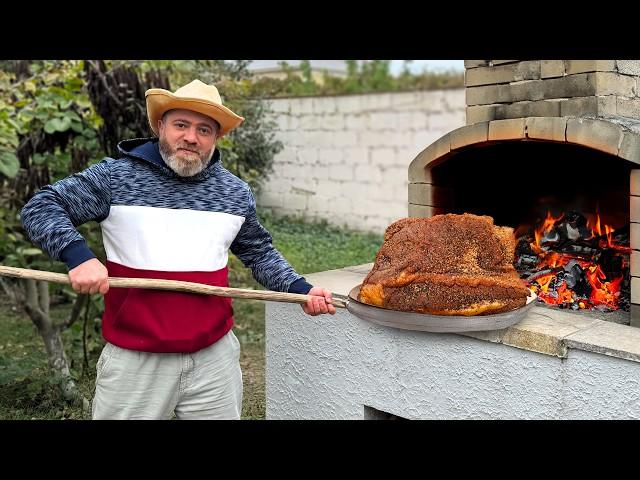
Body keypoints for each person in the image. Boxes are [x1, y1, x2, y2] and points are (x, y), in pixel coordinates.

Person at [20, 79, 336, 420]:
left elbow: (259, 253)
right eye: (181, 124)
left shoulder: (234, 193)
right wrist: (78, 256)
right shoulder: (115, 178)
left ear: (217, 138)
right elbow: (41, 207)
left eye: (204, 129)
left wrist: (301, 290)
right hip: (135, 361)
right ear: (160, 126)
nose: (191, 137)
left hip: (214, 359)